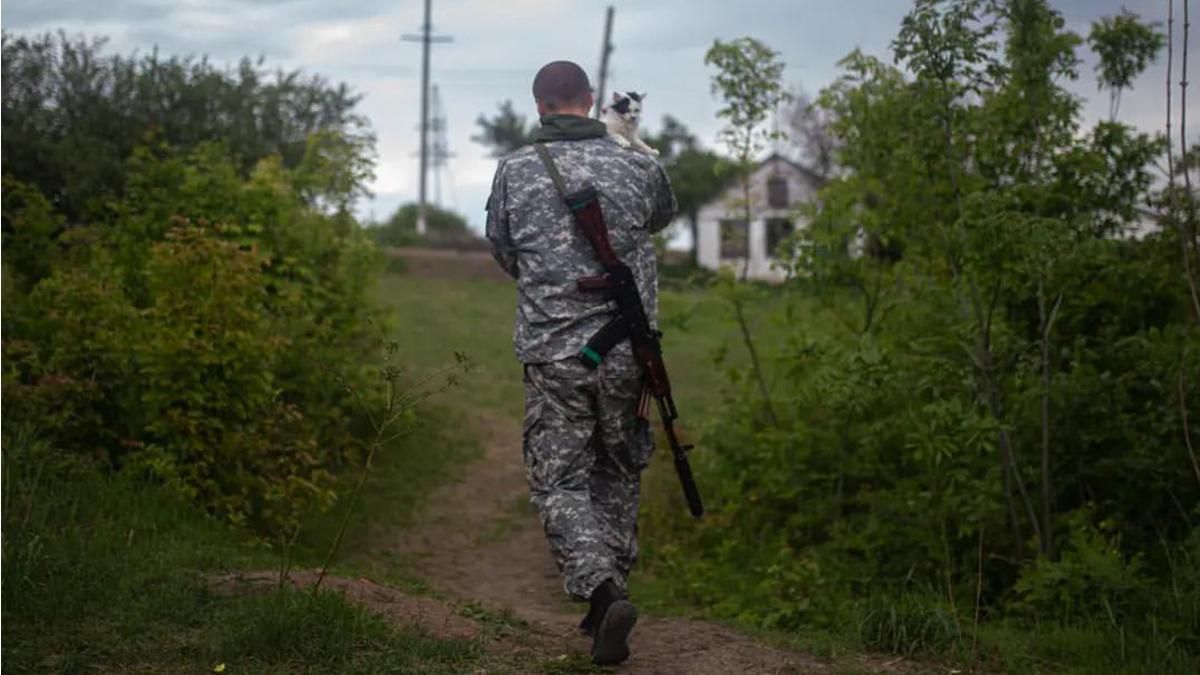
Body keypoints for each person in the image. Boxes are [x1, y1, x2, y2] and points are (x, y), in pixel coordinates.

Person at [484, 60, 677, 665]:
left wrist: (552, 286)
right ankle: (608, 606)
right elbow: (660, 218)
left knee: (560, 478)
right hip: (628, 351)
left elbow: (503, 248)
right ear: (590, 102)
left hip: (553, 351)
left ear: (540, 105)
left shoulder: (514, 170)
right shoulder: (641, 164)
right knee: (618, 468)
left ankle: (601, 589)